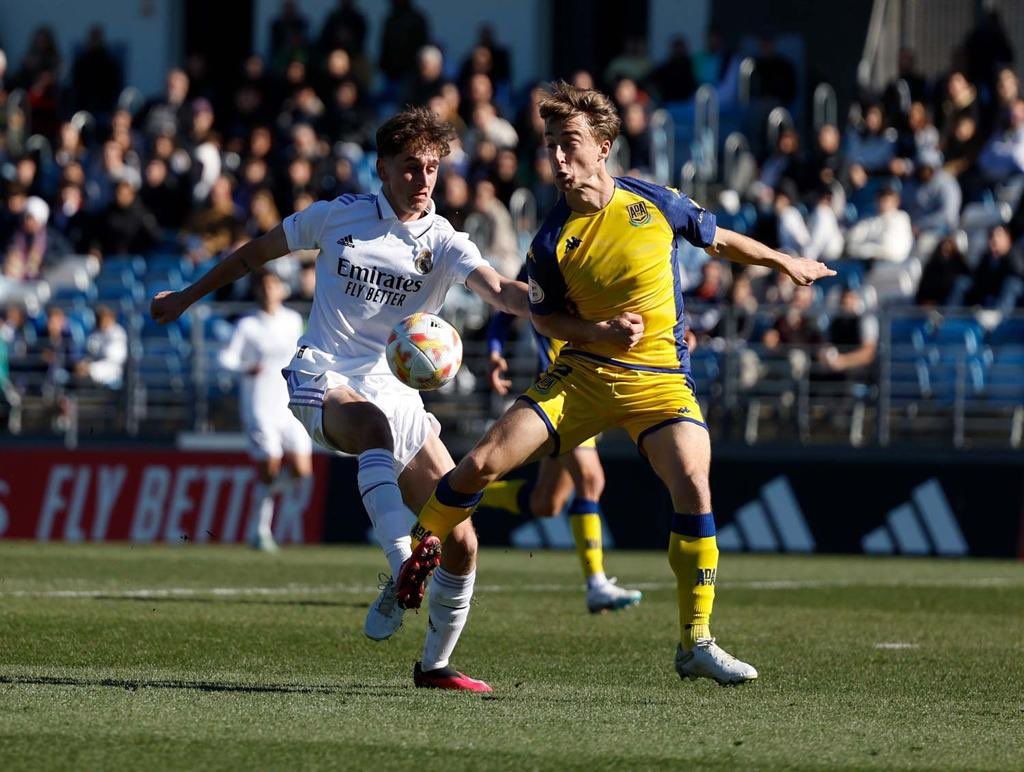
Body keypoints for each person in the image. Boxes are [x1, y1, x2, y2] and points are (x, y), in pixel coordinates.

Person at [394, 82, 834, 686]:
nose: (557, 158)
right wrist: (597, 332)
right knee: (482, 464)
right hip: (583, 378)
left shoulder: (653, 201)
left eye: (569, 144)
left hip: (660, 381)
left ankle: (695, 642)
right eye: (549, 146)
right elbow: (544, 317)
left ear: (602, 147)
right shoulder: (549, 239)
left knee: (695, 486)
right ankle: (407, 564)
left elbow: (719, 238)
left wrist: (784, 261)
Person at [151, 106, 529, 692]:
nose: (423, 179)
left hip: (397, 390)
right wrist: (187, 297)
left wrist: (572, 311)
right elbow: (256, 253)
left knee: (462, 537)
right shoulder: (337, 217)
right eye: (410, 167)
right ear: (381, 167)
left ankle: (434, 666)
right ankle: (401, 560)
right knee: (373, 426)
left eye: (432, 167)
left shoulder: (446, 242)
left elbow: (503, 291)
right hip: (323, 375)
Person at [482, 266, 643, 614]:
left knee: (547, 503)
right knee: (590, 478)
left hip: (593, 391)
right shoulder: (546, 256)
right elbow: (505, 309)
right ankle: (596, 584)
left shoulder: (610, 251)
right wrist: (495, 352)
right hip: (562, 391)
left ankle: (467, 495)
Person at [218, 270, 312, 552]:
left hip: (290, 405)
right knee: (270, 465)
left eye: (273, 284)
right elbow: (225, 358)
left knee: (300, 470)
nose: (269, 289)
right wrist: (245, 368)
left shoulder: (293, 320)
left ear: (282, 289)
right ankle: (259, 530)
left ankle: (261, 498)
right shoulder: (248, 325)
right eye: (264, 285)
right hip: (260, 406)